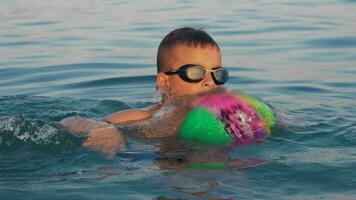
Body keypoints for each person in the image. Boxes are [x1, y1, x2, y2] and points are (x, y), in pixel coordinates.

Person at [59, 27, 229, 157]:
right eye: (195, 72)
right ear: (164, 82)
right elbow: (70, 122)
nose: (210, 82)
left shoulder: (227, 120)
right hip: (144, 162)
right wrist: (101, 129)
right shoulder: (144, 117)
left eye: (218, 74)